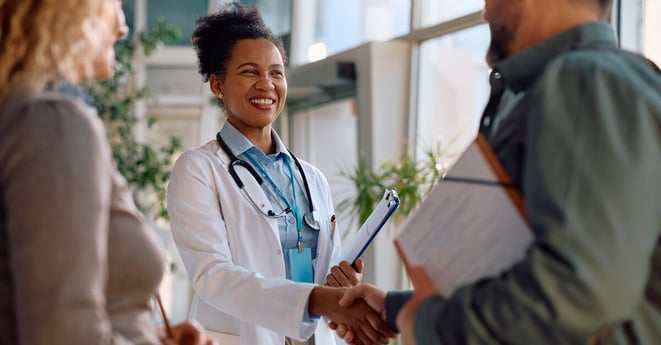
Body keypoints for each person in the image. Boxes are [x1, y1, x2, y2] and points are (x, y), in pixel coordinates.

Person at [335, 0, 661, 344]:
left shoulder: (588, 82)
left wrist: (432, 324)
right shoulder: (561, 87)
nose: (485, 12)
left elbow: (578, 289)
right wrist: (401, 309)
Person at [166, 3, 395, 345]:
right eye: (249, 72)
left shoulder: (311, 177)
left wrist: (340, 285)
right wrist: (319, 299)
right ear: (217, 84)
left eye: (276, 72)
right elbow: (213, 277)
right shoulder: (198, 169)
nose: (266, 84)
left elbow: (323, 271)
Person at [0, 1, 217, 345]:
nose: (122, 27)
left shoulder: (22, 116)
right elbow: (64, 337)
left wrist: (153, 338)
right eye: (113, 4)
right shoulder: (53, 123)